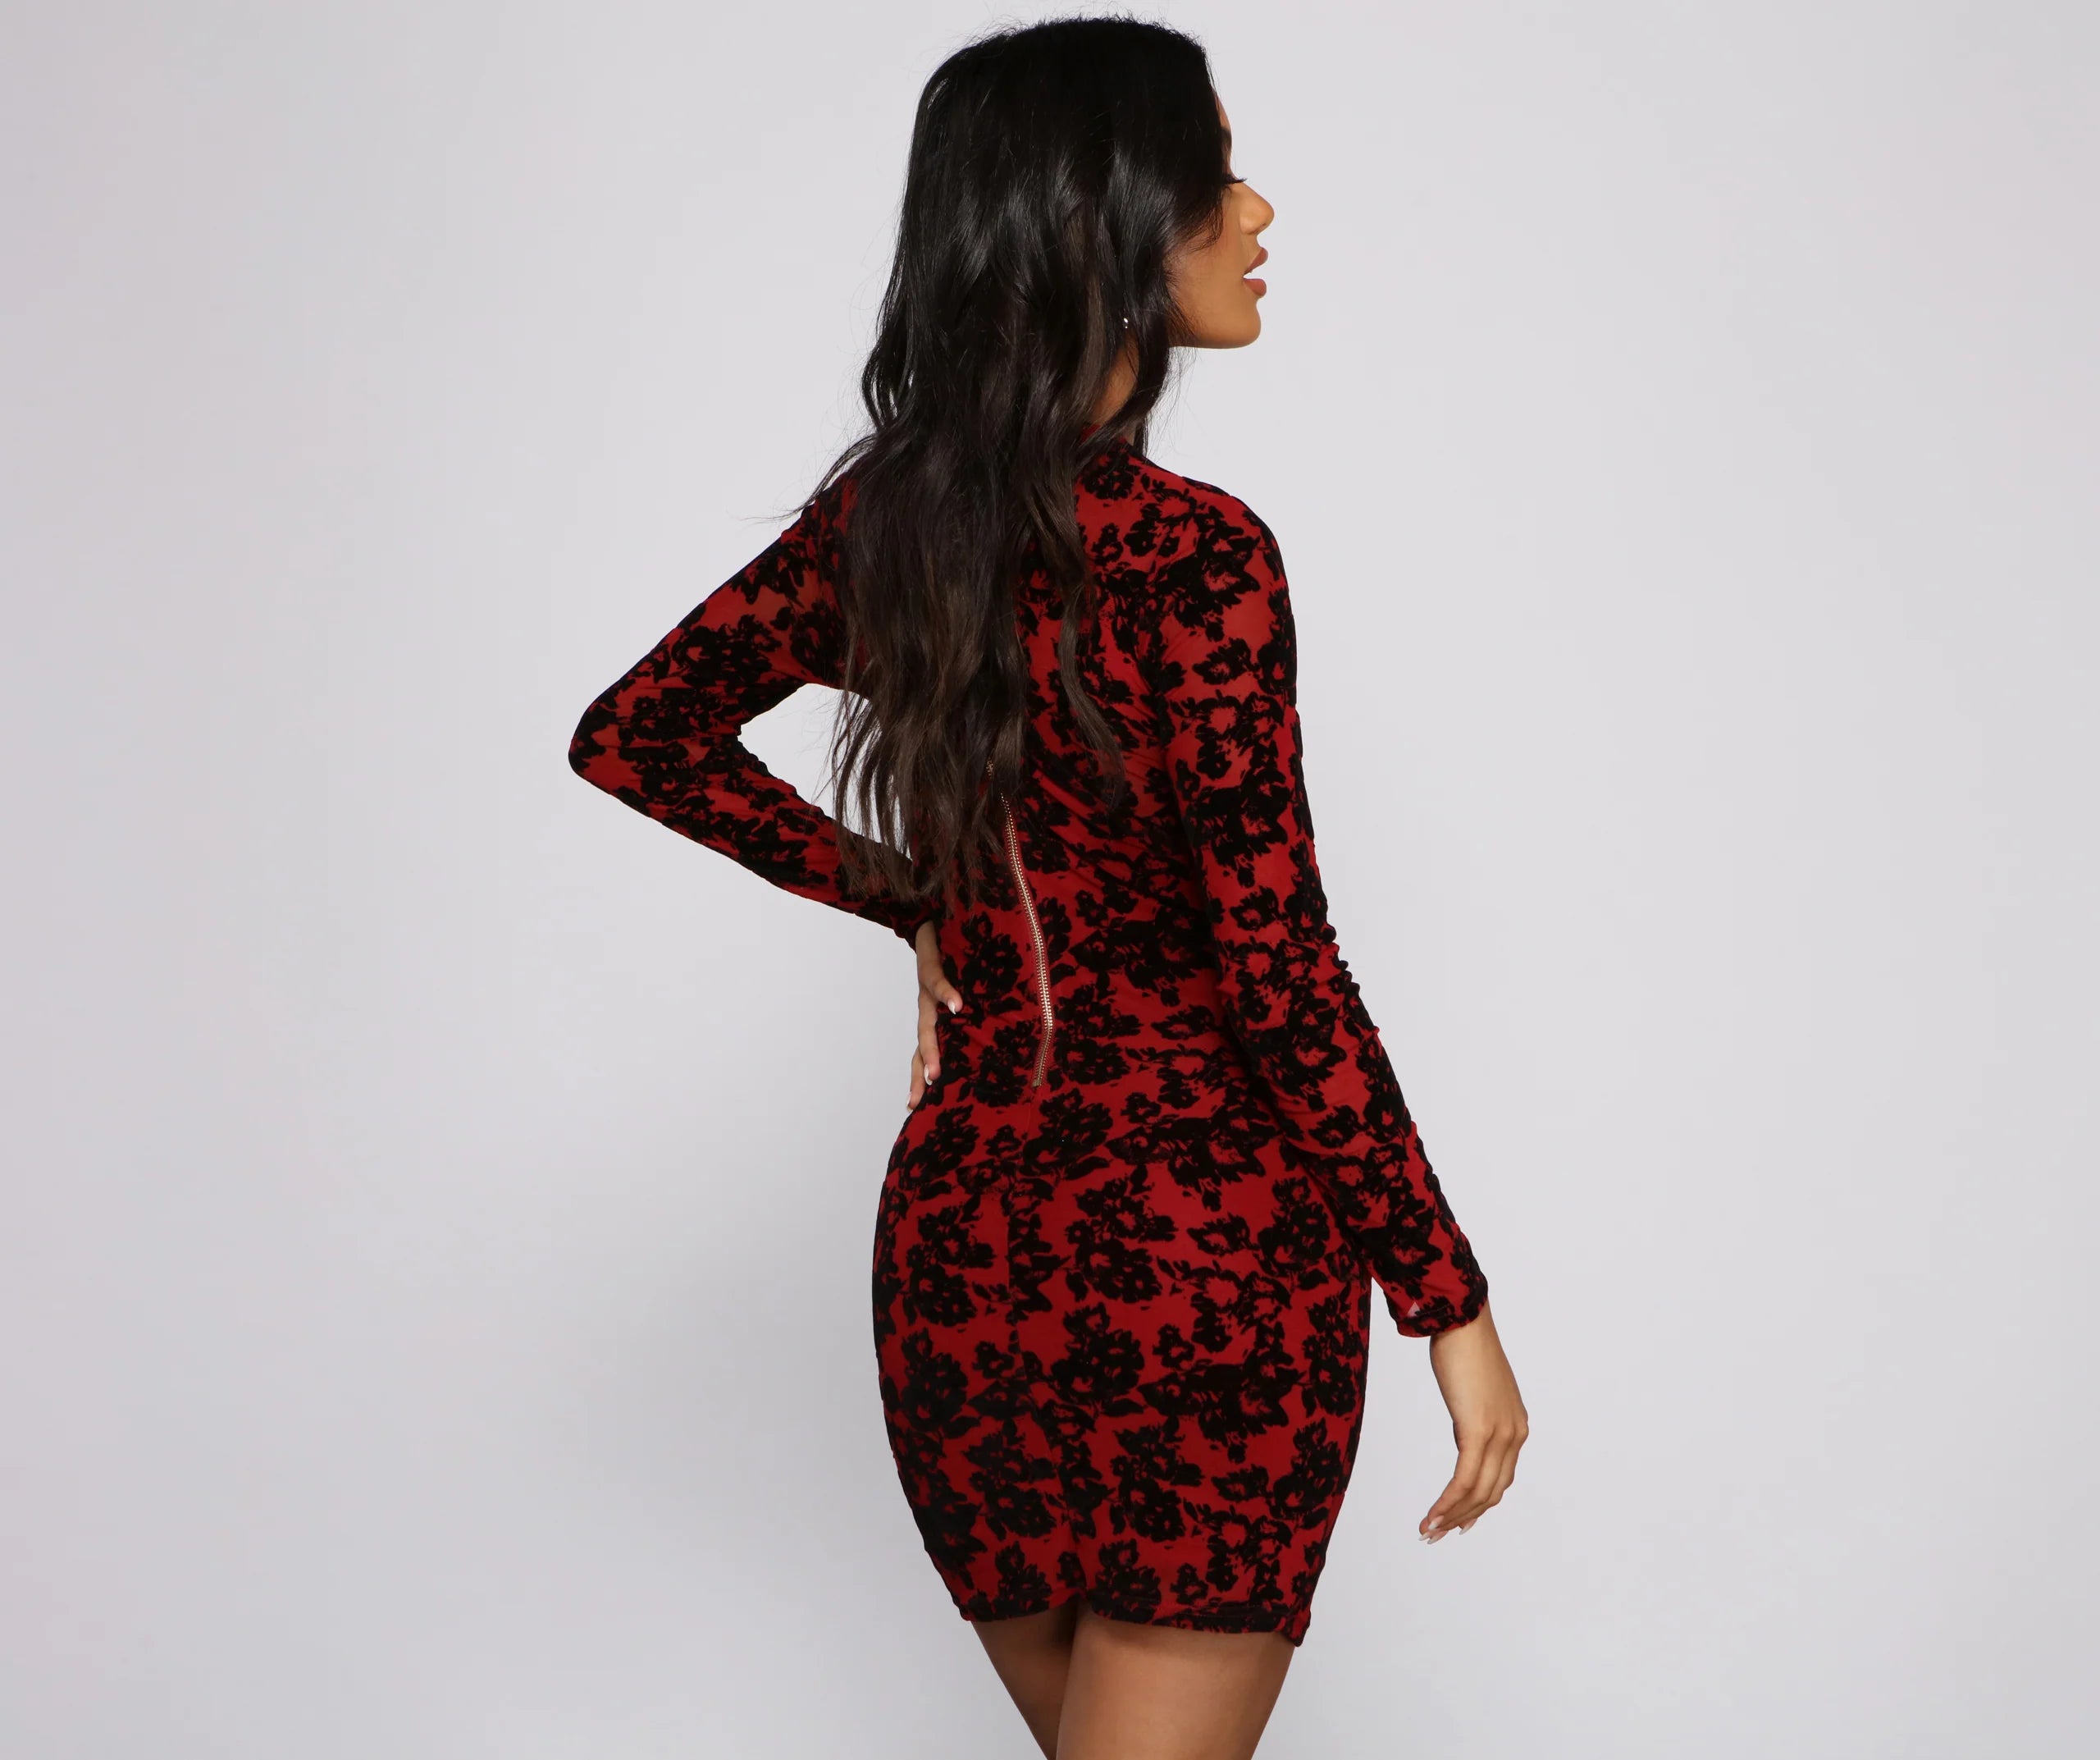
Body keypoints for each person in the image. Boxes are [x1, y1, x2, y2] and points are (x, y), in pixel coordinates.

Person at [568, 16, 1528, 1757]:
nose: (1254, 211)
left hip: (972, 1269)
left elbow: (637, 734)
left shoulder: (888, 531)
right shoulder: (1200, 558)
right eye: (1210, 175)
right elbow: (1277, 966)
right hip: (1207, 1272)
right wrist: (1443, 1296)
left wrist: (914, 896)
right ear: (1103, 222)